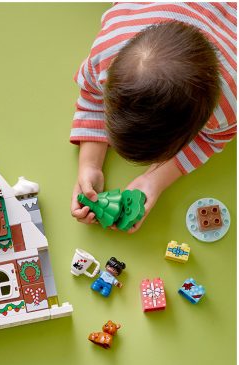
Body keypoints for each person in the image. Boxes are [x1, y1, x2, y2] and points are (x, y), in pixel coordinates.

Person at [70, 3, 237, 232]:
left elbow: (210, 140)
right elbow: (92, 96)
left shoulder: (230, 109)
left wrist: (154, 180)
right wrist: (89, 165)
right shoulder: (105, 52)